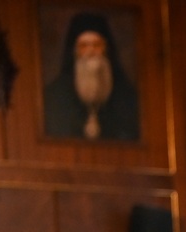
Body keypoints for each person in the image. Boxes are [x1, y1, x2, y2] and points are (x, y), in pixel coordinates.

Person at [43, 12, 140, 141]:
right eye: (83, 46)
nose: (91, 51)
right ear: (74, 51)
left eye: (97, 45)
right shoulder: (54, 95)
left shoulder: (127, 94)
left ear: (106, 49)